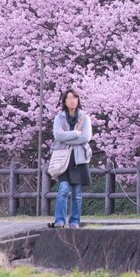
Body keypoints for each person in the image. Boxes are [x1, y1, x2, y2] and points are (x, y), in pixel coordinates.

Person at [48, 87, 92, 229]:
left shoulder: (85, 118)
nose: (72, 100)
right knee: (63, 190)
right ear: (65, 101)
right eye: (69, 98)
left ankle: (74, 222)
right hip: (63, 160)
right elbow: (58, 136)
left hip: (79, 159)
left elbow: (86, 137)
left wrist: (68, 138)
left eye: (75, 97)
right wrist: (76, 133)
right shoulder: (59, 118)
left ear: (78, 100)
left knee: (77, 194)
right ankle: (59, 220)